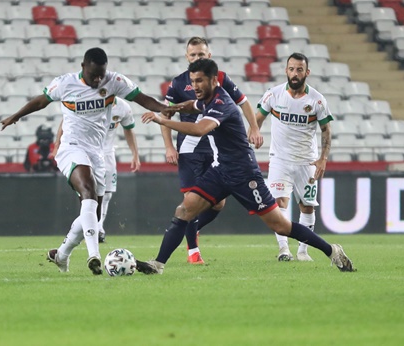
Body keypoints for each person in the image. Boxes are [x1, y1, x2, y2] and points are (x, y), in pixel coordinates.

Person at [135, 58, 354, 275]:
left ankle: (332, 251)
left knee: (281, 226)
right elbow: (193, 105)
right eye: (192, 81)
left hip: (243, 173)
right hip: (220, 170)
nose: (195, 86)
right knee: (184, 209)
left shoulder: (222, 103)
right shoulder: (206, 99)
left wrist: (162, 120)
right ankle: (158, 264)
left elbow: (200, 129)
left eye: (199, 81)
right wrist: (172, 108)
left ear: (214, 80)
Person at [0, 47, 180, 275]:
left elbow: (142, 98)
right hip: (71, 147)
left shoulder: (114, 81)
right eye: (93, 75)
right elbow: (40, 102)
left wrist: (164, 108)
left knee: (91, 213)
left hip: (97, 153)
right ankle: (94, 255)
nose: (97, 80)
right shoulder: (65, 83)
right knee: (88, 190)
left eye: (100, 75)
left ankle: (61, 254)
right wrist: (16, 116)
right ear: (83, 67)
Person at [160, 37, 263, 264]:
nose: (197, 57)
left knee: (217, 203)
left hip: (217, 148)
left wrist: (254, 128)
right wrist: (168, 146)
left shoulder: (220, 79)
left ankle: (191, 228)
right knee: (191, 199)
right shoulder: (178, 83)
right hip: (190, 149)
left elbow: (243, 102)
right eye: (193, 54)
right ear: (187, 57)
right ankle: (193, 252)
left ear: (209, 55)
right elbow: (166, 114)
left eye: (201, 54)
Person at [255, 52, 332, 262]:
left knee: (307, 206)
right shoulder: (273, 95)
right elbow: (258, 118)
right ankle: (284, 250)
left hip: (307, 161)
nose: (295, 73)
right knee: (279, 203)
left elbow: (326, 130)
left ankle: (303, 251)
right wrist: (254, 132)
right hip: (279, 159)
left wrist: (323, 158)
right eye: (291, 69)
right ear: (286, 70)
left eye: (299, 69)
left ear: (307, 72)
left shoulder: (317, 100)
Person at [53, 97, 141, 243]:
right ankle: (91, 228)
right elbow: (66, 120)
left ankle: (98, 227)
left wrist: (135, 153)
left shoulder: (123, 107)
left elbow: (128, 129)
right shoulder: (90, 101)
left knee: (107, 194)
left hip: (107, 153)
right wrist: (57, 144)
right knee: (88, 192)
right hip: (86, 150)